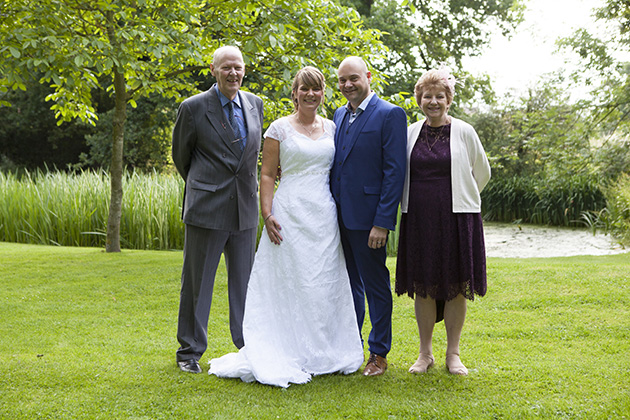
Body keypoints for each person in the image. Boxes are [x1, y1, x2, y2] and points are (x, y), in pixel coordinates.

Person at [208, 66, 364, 388]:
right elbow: (266, 174)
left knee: (323, 282)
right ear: (294, 93)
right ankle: (286, 347)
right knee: (291, 281)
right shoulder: (278, 129)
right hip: (289, 213)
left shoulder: (335, 128)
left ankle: (326, 350)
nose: (310, 94)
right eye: (304, 88)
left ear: (323, 93)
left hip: (324, 215)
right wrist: (267, 214)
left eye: (316, 89)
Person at [171, 46, 264, 374]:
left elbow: (253, 154)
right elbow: (182, 158)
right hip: (206, 210)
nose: (233, 73)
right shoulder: (193, 108)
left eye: (238, 67)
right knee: (197, 284)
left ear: (244, 69)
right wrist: (206, 186)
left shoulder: (255, 104)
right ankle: (189, 352)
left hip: (245, 210)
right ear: (213, 70)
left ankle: (247, 346)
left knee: (245, 285)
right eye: (226, 68)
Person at [395, 68, 491, 376]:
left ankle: (453, 353)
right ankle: (425, 354)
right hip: (419, 220)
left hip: (457, 221)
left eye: (439, 96)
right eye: (427, 96)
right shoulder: (410, 132)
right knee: (423, 287)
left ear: (448, 99)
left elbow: (482, 172)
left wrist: (463, 198)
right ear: (419, 99)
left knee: (455, 287)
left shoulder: (464, 131)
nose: (433, 101)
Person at [330, 57, 407, 376]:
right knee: (348, 285)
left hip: (369, 220)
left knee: (375, 285)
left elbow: (395, 172)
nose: (348, 85)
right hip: (336, 217)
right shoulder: (337, 114)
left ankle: (378, 353)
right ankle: (350, 346)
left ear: (368, 77)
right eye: (342, 80)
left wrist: (382, 222)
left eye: (353, 79)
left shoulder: (390, 114)